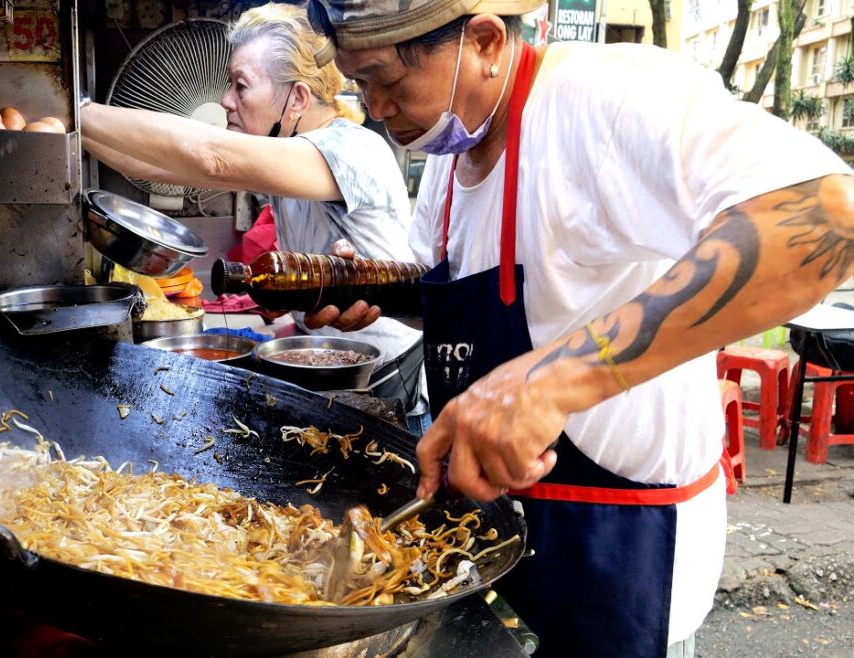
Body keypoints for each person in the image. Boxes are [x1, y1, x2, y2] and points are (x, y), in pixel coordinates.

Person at [302, 1, 854, 656]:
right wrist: (381, 291)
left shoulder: (603, 98)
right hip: (489, 537)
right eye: (360, 85)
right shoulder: (451, 154)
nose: (375, 108)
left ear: (482, 41)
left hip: (616, 548)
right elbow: (503, 299)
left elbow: (828, 221)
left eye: (388, 83)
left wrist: (551, 383)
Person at [79, 3, 427, 430]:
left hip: (385, 375)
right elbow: (149, 167)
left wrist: (81, 111)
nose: (225, 100)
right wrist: (70, 130)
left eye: (240, 86)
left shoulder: (351, 150)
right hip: (330, 360)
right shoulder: (288, 154)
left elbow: (211, 158)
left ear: (297, 98)